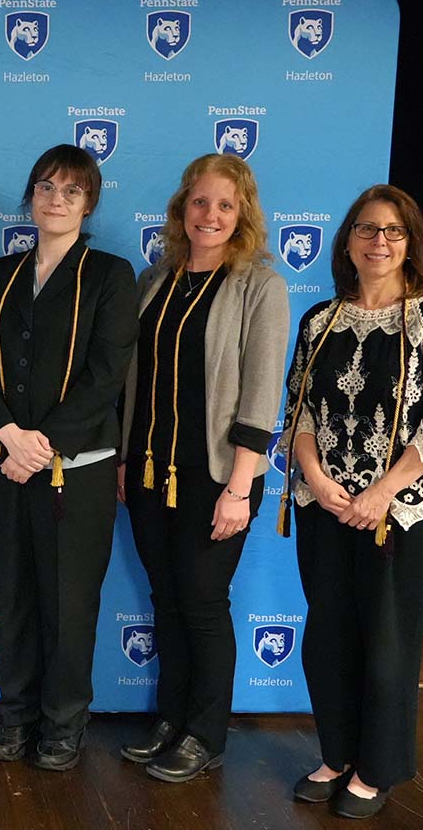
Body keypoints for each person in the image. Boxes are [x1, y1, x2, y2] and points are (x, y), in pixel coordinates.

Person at [281, 185, 423, 819]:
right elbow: (300, 412)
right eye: (367, 230)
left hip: (405, 509)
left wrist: (381, 492)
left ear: (410, 242)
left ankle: (375, 769)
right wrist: (319, 478)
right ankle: (336, 754)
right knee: (329, 634)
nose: (380, 241)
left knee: (388, 641)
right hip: (328, 505)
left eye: (392, 231)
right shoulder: (320, 319)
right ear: (348, 242)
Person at [0, 145, 138, 770]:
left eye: (70, 191)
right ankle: (16, 718)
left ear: (88, 203)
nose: (55, 200)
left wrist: (42, 446)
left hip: (77, 471)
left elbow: (105, 374)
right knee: (17, 595)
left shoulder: (112, 275)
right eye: (45, 188)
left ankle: (63, 725)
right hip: (4, 460)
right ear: (30, 198)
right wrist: (9, 433)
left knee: (68, 601)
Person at [118, 152, 289, 782]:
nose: (209, 215)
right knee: (166, 597)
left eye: (223, 204)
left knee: (202, 600)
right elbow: (134, 380)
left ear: (241, 213)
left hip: (219, 476)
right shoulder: (155, 279)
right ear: (181, 208)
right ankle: (172, 716)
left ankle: (205, 733)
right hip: (148, 471)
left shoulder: (260, 284)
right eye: (199, 202)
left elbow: (262, 392)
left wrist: (240, 488)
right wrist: (125, 459)